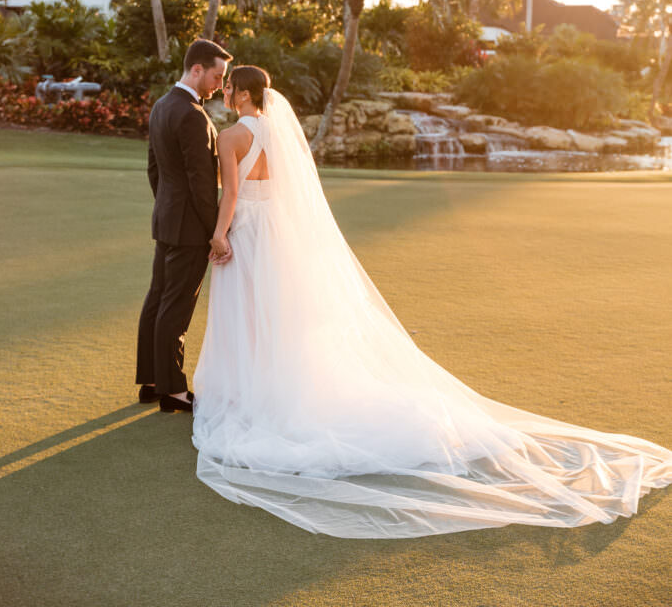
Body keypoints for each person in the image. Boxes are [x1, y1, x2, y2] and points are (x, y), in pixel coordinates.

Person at [192, 66, 672, 539]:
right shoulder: (279, 134)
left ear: (242, 93)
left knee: (253, 316)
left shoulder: (233, 136)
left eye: (230, 87)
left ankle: (257, 393)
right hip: (284, 236)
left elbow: (232, 192)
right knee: (287, 317)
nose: (226, 91)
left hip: (252, 232)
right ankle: (280, 386)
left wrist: (218, 234)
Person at [135, 38, 232, 413]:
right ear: (196, 69)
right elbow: (200, 182)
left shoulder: (161, 106)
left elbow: (154, 169)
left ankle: (153, 381)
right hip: (190, 228)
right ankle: (173, 391)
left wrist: (167, 207)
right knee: (174, 307)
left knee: (157, 300)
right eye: (216, 75)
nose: (219, 85)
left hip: (167, 220)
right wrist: (215, 231)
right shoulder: (191, 113)